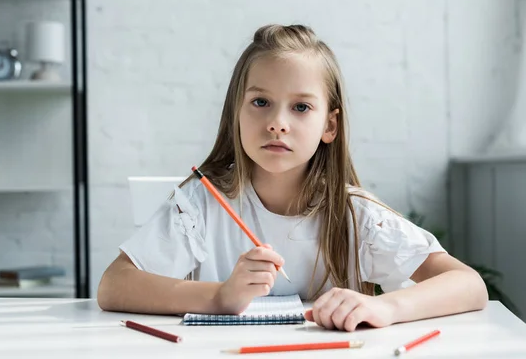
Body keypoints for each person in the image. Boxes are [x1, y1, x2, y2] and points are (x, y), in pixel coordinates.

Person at [97, 24, 487, 331]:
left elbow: (469, 285)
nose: (277, 124)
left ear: (329, 126)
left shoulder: (355, 214)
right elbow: (113, 286)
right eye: (260, 102)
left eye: (300, 107)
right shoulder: (202, 202)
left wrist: (383, 307)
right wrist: (220, 297)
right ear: (237, 111)